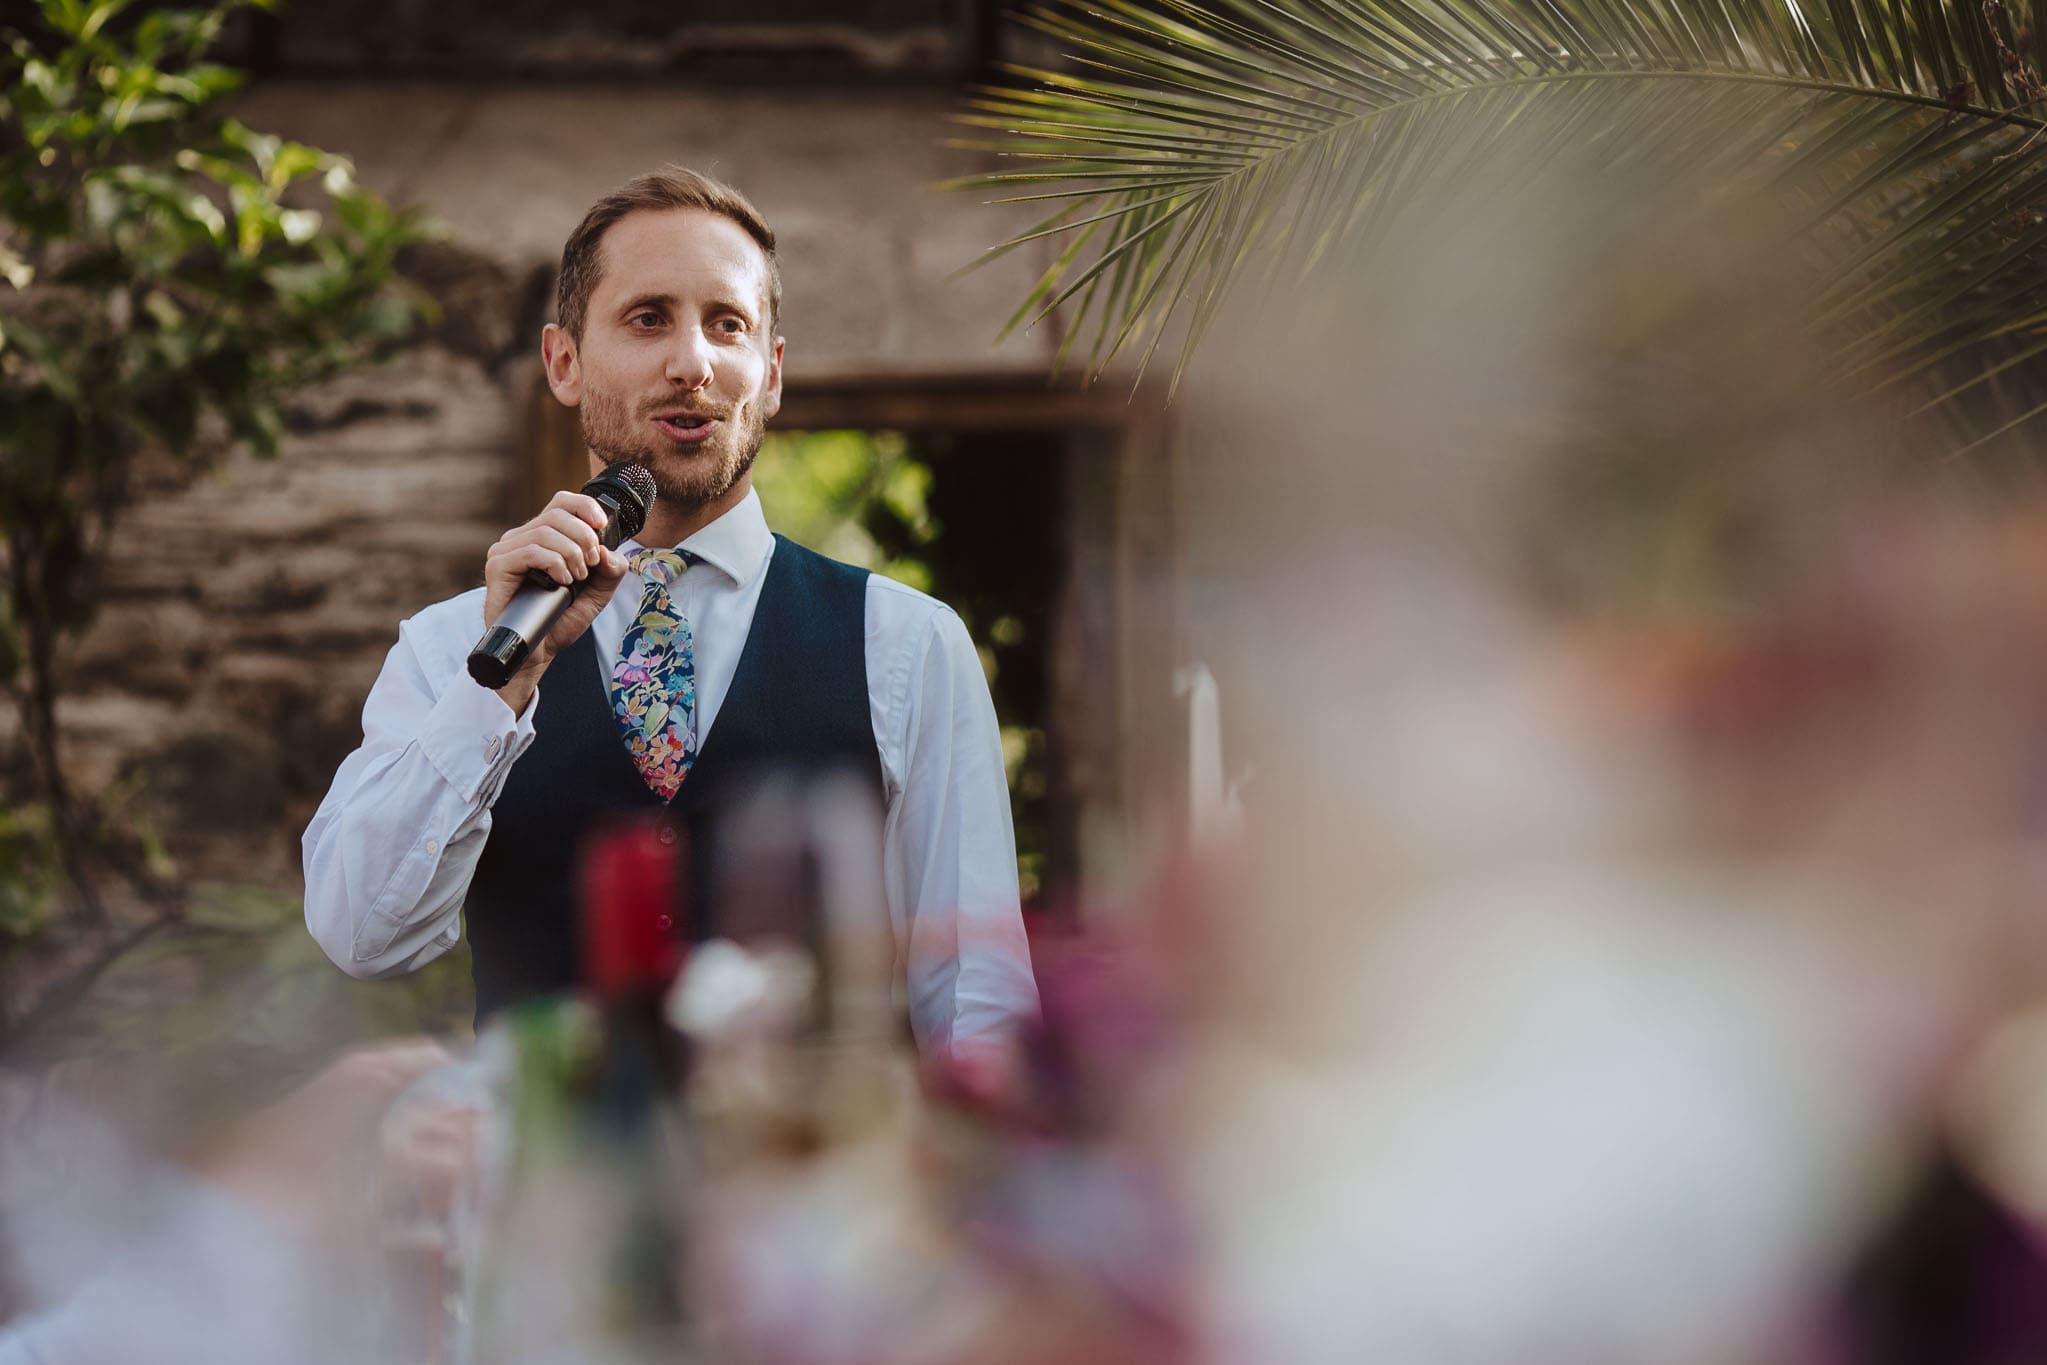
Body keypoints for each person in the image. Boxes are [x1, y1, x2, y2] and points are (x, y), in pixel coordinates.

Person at [303, 167, 1039, 1058]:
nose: (691, 362)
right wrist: (496, 695)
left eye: (726, 325)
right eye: (648, 317)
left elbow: (976, 1000)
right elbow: (359, 936)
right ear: (564, 363)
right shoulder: (456, 646)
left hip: (808, 1184)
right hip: (547, 1188)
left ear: (768, 375)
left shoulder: (910, 643)